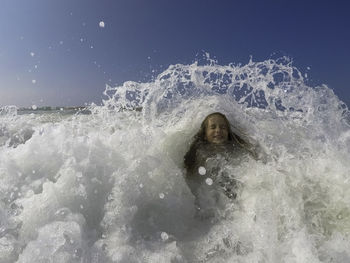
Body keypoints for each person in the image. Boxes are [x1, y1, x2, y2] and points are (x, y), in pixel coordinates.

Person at [184, 112, 255, 216]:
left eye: (223, 127)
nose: (218, 130)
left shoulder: (235, 149)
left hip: (232, 195)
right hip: (209, 198)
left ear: (228, 133)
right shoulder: (200, 151)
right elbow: (189, 174)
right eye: (213, 127)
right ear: (205, 134)